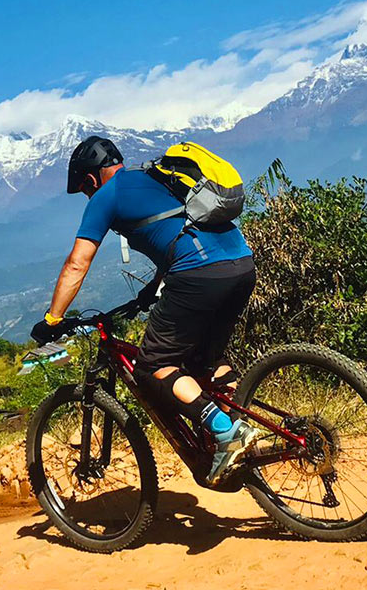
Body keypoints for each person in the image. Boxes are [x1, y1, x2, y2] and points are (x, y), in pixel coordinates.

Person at [30, 135, 258, 484]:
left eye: (85, 190)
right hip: (241, 264)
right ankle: (239, 436)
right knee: (204, 363)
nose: (88, 197)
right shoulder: (156, 177)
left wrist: (52, 320)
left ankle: (226, 432)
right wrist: (151, 290)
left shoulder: (108, 195)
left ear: (91, 179)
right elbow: (181, 230)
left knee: (152, 367)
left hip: (198, 273)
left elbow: (77, 263)